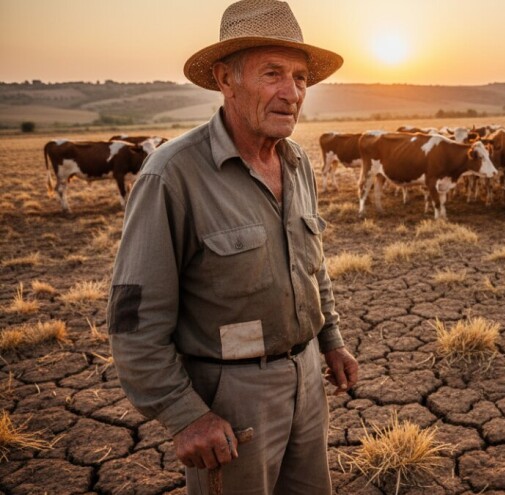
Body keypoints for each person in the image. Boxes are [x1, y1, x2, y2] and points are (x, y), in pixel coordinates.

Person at [106, 1, 358, 493]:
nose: (292, 93)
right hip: (229, 398)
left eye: (301, 78)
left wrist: (330, 340)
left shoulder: (297, 163)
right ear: (226, 79)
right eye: (272, 74)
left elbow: (313, 267)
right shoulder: (172, 175)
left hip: (308, 380)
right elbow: (134, 318)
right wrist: (183, 414)